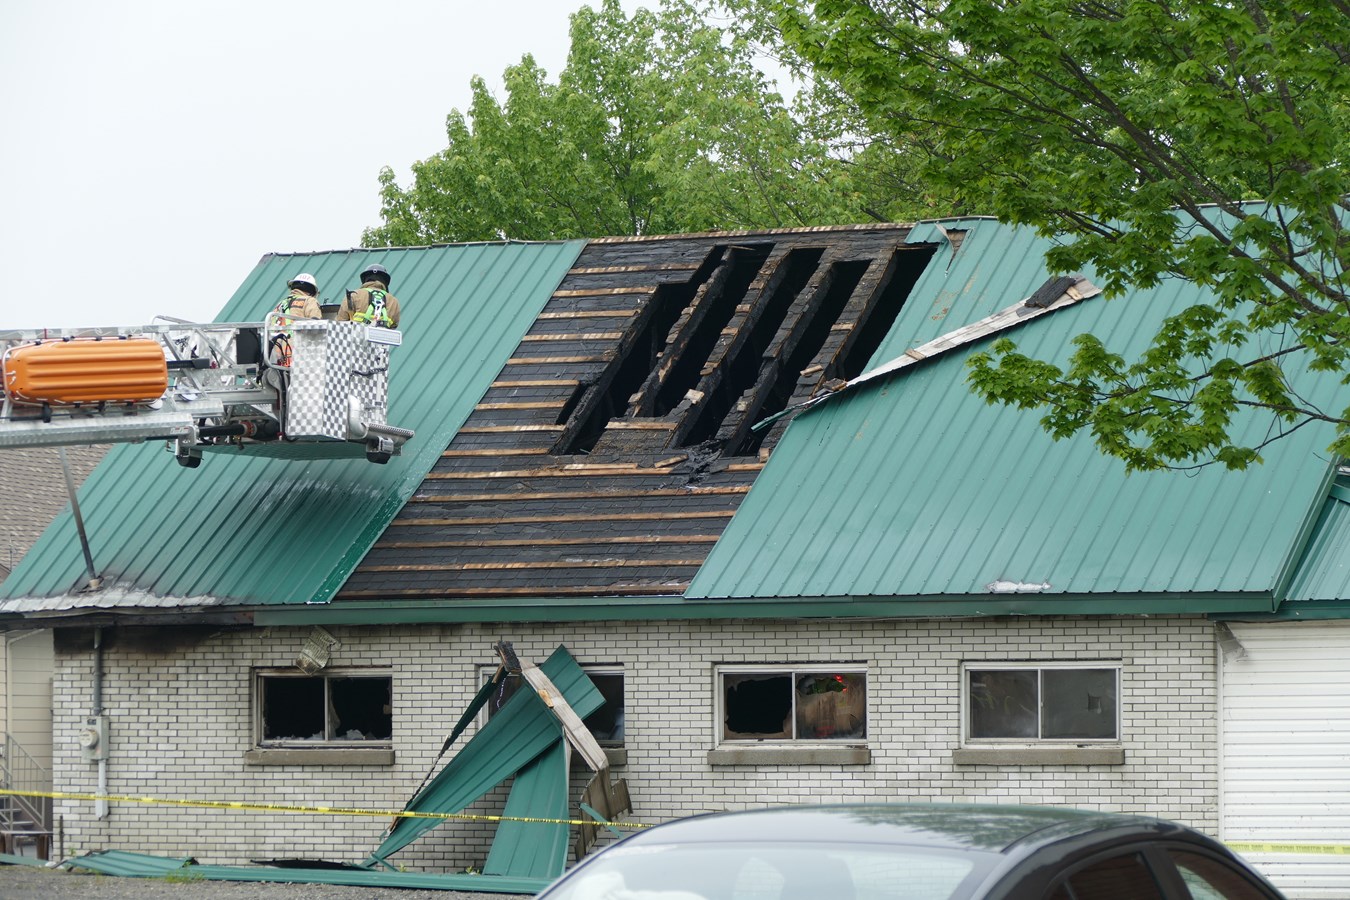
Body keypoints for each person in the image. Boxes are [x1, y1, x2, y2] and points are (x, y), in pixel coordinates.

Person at [338, 264, 401, 328]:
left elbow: (341, 323)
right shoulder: (394, 302)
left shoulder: (353, 295)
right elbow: (393, 327)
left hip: (356, 336)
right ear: (385, 281)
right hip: (382, 337)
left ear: (365, 279)